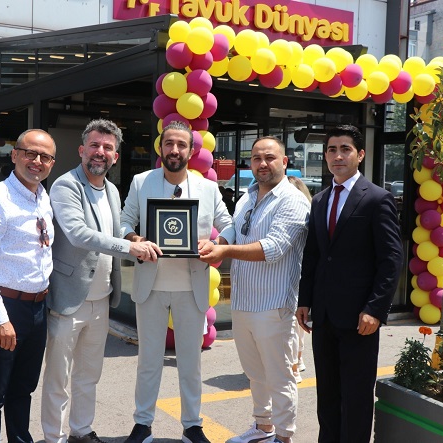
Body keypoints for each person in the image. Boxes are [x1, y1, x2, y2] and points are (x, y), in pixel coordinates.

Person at [42, 119, 161, 443]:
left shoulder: (111, 189)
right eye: (94, 145)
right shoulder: (65, 186)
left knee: (89, 374)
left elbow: (114, 230)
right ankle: (54, 437)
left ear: (115, 156)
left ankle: (81, 430)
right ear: (82, 149)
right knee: (58, 377)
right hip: (69, 298)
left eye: (108, 147)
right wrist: (129, 247)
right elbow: (78, 234)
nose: (100, 152)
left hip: (102, 298)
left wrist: (135, 238)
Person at [120, 121, 233, 443]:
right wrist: (136, 239)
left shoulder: (208, 188)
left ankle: (192, 425)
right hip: (151, 286)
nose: (174, 150)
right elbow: (124, 221)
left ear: (191, 151)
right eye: (169, 143)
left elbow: (228, 223)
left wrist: (217, 243)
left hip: (192, 288)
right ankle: (142, 424)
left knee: (190, 362)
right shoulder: (142, 182)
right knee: (148, 361)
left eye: (181, 145)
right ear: (160, 147)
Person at [198, 137, 310, 443]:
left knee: (280, 376)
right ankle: (263, 428)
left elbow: (274, 247)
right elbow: (235, 229)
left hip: (274, 304)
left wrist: (225, 251)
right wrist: (218, 242)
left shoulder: (292, 199)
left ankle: (284, 437)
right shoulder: (246, 197)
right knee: (255, 374)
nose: (263, 163)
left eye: (270, 158)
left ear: (284, 162)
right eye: (257, 158)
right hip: (244, 301)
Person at [296, 125, 402, 443]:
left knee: (356, 398)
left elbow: (391, 260)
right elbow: (314, 255)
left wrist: (375, 309)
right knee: (327, 396)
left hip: (360, 318)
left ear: (360, 154)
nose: (338, 156)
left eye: (345, 149)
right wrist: (305, 300)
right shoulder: (320, 200)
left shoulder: (377, 199)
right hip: (324, 316)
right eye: (332, 149)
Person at [0, 129, 56, 443]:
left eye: (45, 156)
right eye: (30, 153)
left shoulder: (43, 197)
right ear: (15, 155)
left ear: (52, 163)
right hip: (5, 308)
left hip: (37, 307)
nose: (37, 161)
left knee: (23, 389)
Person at [287, 176, 313, 383]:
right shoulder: (310, 214)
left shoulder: (299, 215)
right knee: (298, 324)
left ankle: (294, 366)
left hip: (294, 275)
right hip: (301, 275)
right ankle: (299, 359)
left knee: (293, 324)